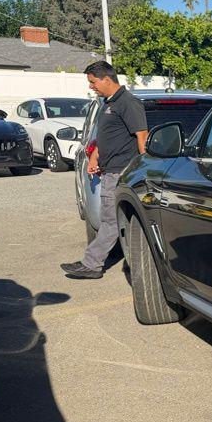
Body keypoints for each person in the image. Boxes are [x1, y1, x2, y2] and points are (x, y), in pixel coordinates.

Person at [61, 61, 147, 279]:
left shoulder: (128, 103)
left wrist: (143, 169)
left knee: (110, 221)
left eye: (93, 82)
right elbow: (105, 136)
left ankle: (92, 264)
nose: (91, 87)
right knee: (118, 221)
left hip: (121, 171)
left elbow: (142, 136)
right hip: (110, 170)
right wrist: (95, 157)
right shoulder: (108, 104)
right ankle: (130, 262)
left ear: (107, 79)